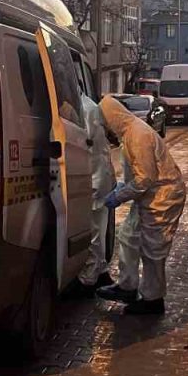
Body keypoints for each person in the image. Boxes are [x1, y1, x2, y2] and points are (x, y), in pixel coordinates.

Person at [96, 95, 186, 315]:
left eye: (105, 125)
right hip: (148, 196)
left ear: (113, 119)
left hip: (162, 197)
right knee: (128, 237)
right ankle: (127, 286)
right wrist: (121, 190)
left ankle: (153, 300)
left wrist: (120, 195)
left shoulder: (138, 136)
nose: (106, 131)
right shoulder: (129, 134)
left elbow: (145, 178)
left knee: (153, 250)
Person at [78, 95, 116, 294]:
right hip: (99, 177)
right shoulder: (87, 107)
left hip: (95, 179)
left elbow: (86, 145)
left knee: (93, 232)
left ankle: (89, 280)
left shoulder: (85, 109)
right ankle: (100, 272)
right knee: (98, 231)